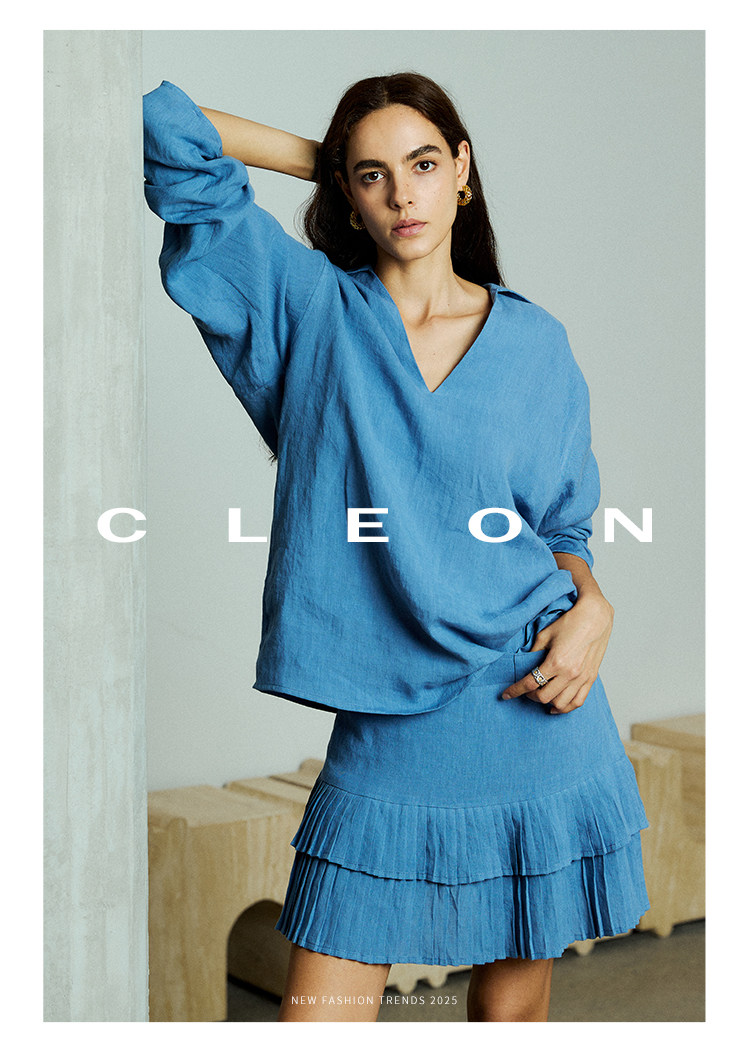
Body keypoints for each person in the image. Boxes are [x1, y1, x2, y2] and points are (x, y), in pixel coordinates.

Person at [143, 72, 649, 1023]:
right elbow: (169, 129)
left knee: (509, 1021)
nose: (402, 195)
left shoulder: (536, 343)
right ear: (347, 192)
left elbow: (559, 528)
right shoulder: (310, 309)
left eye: (423, 165)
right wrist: (329, 165)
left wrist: (594, 605)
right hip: (390, 712)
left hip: (534, 696)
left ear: (464, 170)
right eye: (374, 176)